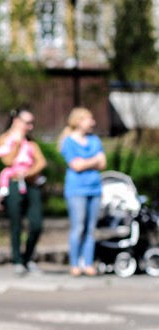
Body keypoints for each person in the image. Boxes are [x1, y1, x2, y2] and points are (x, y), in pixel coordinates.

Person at [0, 109, 47, 275]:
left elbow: (41, 163)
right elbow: (8, 160)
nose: (30, 127)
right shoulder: (4, 140)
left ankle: (28, 257)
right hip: (14, 184)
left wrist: (29, 173)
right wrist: (16, 143)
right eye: (27, 123)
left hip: (31, 184)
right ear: (17, 121)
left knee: (36, 224)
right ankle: (17, 260)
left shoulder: (32, 144)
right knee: (16, 224)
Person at [59, 107, 106, 277]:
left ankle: (88, 263)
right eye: (89, 119)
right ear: (79, 121)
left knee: (90, 229)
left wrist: (87, 162)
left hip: (94, 188)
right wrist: (94, 160)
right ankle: (74, 264)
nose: (93, 122)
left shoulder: (94, 140)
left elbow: (103, 164)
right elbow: (76, 166)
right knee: (78, 227)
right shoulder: (68, 141)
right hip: (76, 190)